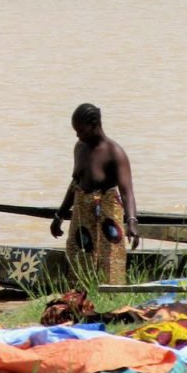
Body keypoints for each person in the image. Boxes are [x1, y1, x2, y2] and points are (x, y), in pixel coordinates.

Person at [50, 104, 139, 285]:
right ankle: (80, 299)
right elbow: (75, 182)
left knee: (110, 260)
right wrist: (59, 215)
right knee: (78, 254)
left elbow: (127, 191)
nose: (77, 135)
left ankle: (110, 302)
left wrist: (131, 222)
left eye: (80, 130)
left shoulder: (115, 153)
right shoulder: (80, 148)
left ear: (93, 125)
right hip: (82, 210)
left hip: (108, 211)